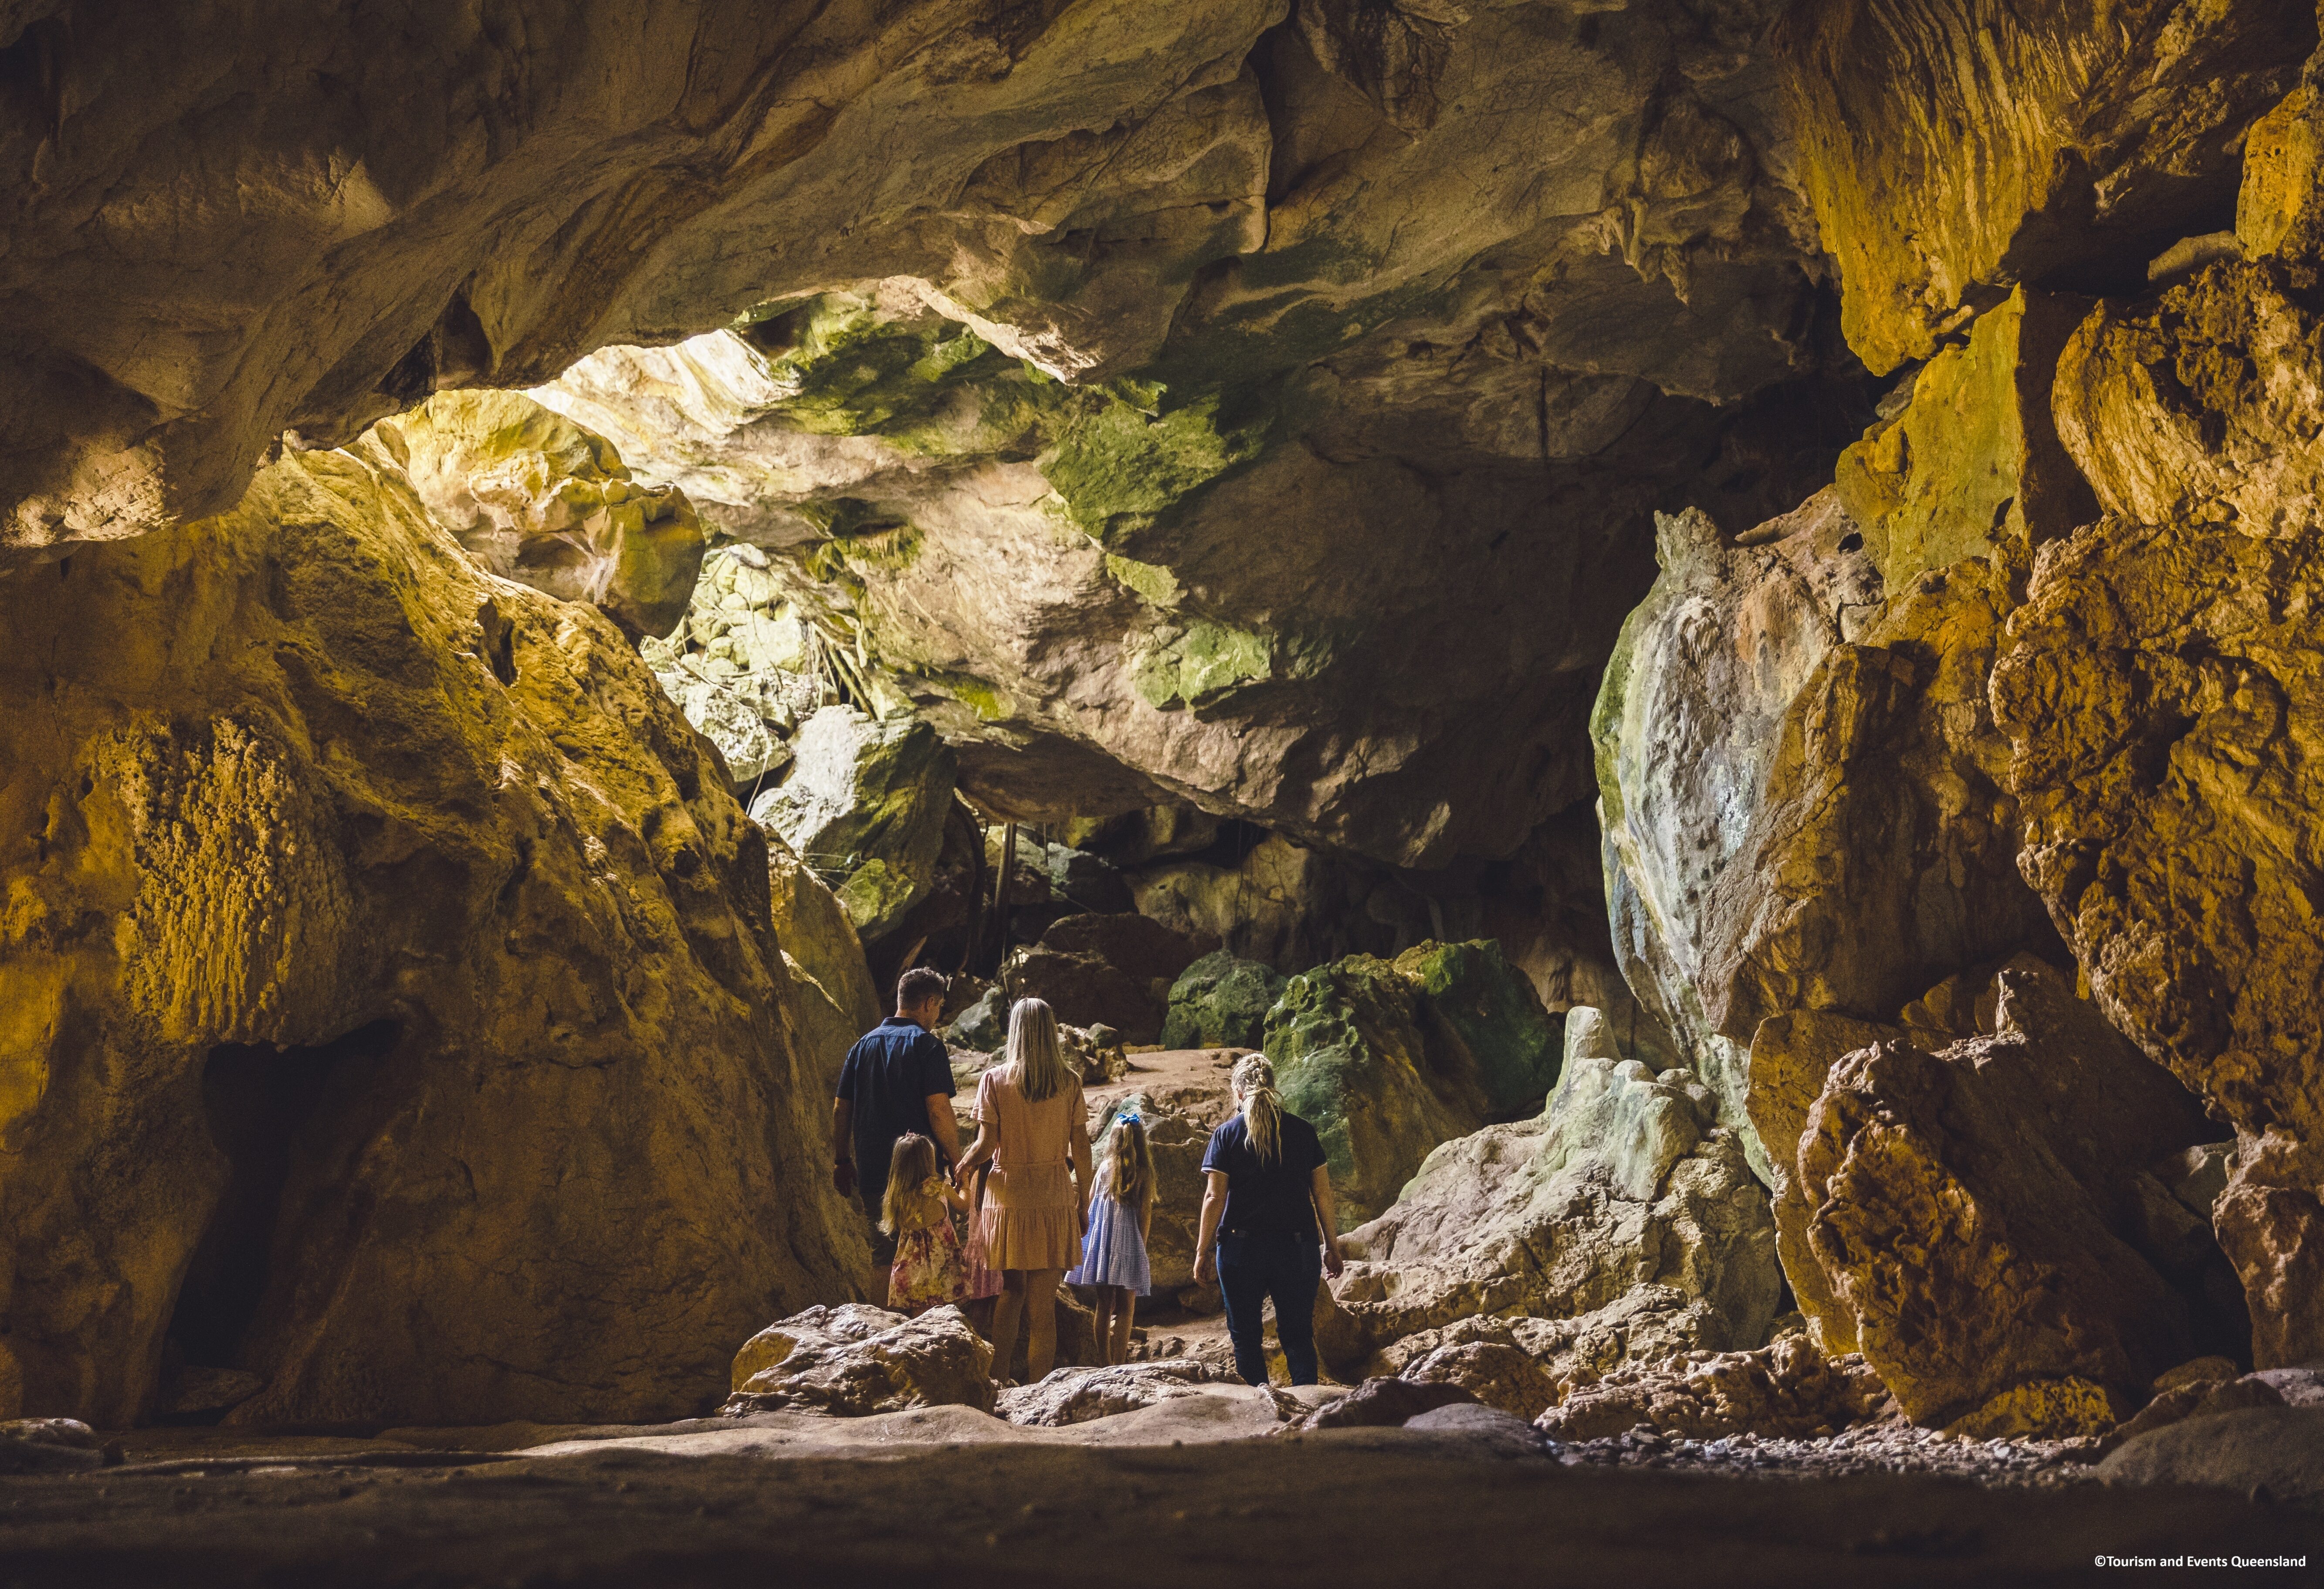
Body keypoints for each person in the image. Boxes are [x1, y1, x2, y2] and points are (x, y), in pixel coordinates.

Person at [952, 997, 1092, 1386]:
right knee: (1043, 1307)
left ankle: (997, 1381)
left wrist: (963, 1163)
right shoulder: (1070, 1082)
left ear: (1014, 1031)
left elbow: (986, 1144)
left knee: (1011, 1293)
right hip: (1053, 1195)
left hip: (1009, 1197)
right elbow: (1081, 1149)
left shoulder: (994, 1081)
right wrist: (1084, 1201)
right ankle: (1038, 1390)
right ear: (1051, 1031)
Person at [1192, 1054, 1344, 1387]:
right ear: (1273, 1088)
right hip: (1296, 1247)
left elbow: (1214, 1198)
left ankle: (1256, 1418)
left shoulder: (1226, 1135)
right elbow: (1323, 1195)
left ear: (1238, 1093)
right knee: (1299, 1335)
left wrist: (1202, 1251)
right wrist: (1332, 1245)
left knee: (1246, 1339)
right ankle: (1310, 1409)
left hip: (1240, 1248)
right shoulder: (1303, 1132)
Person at [832, 967, 960, 1264]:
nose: (937, 1015)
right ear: (929, 1003)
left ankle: (880, 1314)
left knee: (883, 1257)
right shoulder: (927, 1047)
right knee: (925, 1256)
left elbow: (841, 1108)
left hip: (874, 1170)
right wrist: (957, 1161)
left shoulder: (861, 1046)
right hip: (920, 1173)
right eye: (939, 1007)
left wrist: (842, 1161)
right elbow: (939, 1111)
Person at [1066, 1109, 1155, 1365]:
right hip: (1129, 1244)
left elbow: (1090, 1201)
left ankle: (1103, 1362)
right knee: (1127, 1305)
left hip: (1103, 1244)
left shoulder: (1105, 1168)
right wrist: (1142, 1247)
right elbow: (1145, 1214)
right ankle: (1119, 1361)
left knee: (1104, 1304)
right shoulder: (1143, 1173)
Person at [881, 1134, 972, 1315]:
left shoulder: (898, 1194)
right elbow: (963, 1207)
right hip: (941, 1262)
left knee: (919, 1314)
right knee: (943, 1313)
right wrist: (965, 1186)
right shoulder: (940, 1187)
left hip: (912, 1265)